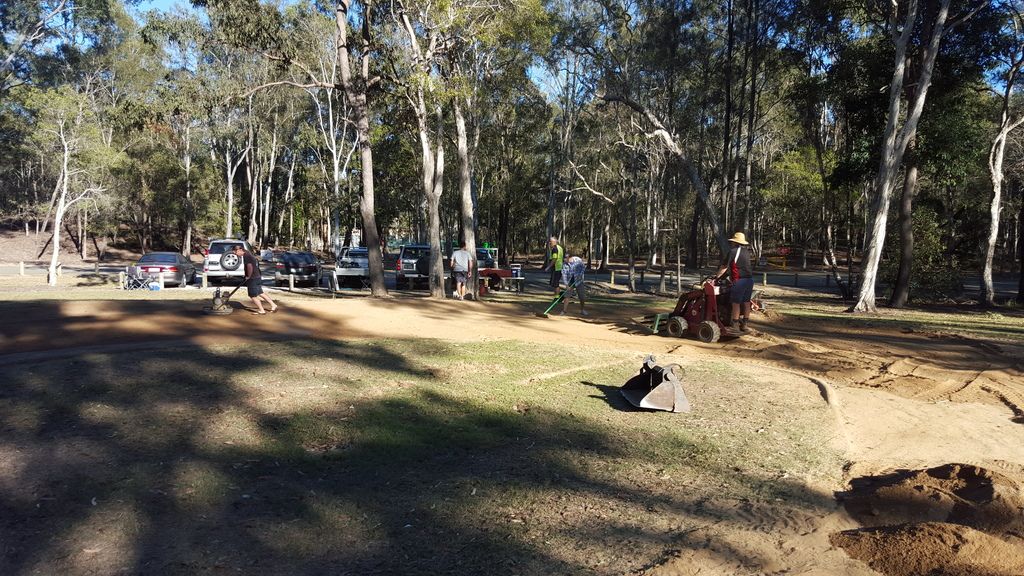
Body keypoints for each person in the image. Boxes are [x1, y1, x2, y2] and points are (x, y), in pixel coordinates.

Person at [715, 232, 753, 332]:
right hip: (749, 280)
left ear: (735, 242)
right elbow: (738, 266)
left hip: (740, 281)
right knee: (746, 302)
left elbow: (724, 267)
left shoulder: (733, 252)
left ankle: (735, 324)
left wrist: (716, 278)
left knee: (735, 303)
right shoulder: (746, 252)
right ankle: (745, 324)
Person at [235, 244, 277, 315]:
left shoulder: (246, 256)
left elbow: (249, 266)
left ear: (240, 250)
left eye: (235, 252)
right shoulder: (248, 253)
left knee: (252, 295)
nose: (235, 254)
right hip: (257, 276)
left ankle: (262, 310)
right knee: (260, 293)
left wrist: (248, 276)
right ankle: (273, 305)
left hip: (253, 278)